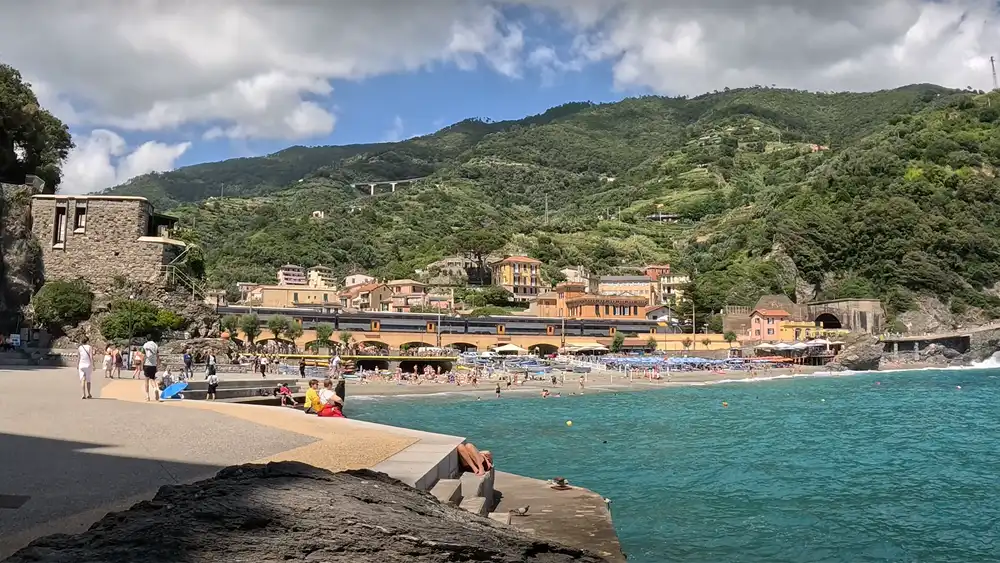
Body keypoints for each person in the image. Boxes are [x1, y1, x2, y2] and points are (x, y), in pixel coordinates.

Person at [142, 334, 160, 402]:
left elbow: (143, 356)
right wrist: (157, 365)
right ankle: (155, 388)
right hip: (153, 364)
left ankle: (147, 396)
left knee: (146, 380)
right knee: (152, 379)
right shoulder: (155, 345)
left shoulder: (145, 345)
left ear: (146, 339)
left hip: (147, 364)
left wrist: (142, 364)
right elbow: (158, 356)